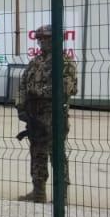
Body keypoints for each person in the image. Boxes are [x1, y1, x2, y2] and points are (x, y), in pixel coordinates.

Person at [16, 25, 77, 203]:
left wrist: (37, 92)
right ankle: (38, 192)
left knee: (56, 154)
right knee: (37, 153)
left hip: (54, 116)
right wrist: (20, 106)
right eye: (40, 38)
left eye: (46, 38)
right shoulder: (35, 62)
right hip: (35, 117)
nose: (42, 41)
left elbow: (65, 88)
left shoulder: (65, 62)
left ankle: (60, 195)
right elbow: (22, 85)